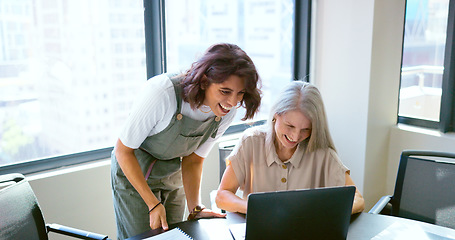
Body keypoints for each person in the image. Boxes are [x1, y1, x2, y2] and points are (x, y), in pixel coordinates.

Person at [111, 43, 262, 239]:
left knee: (178, 235)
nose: (233, 102)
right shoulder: (162, 93)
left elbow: (193, 160)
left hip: (173, 177)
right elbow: (123, 151)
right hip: (134, 174)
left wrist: (195, 208)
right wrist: (152, 203)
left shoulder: (225, 111)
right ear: (204, 80)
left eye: (240, 93)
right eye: (225, 91)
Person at [215, 81, 365, 214]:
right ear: (275, 115)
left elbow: (357, 199)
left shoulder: (323, 153)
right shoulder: (251, 142)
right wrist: (256, 208)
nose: (295, 136)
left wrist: (321, 212)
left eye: (306, 129)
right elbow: (222, 196)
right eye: (290, 126)